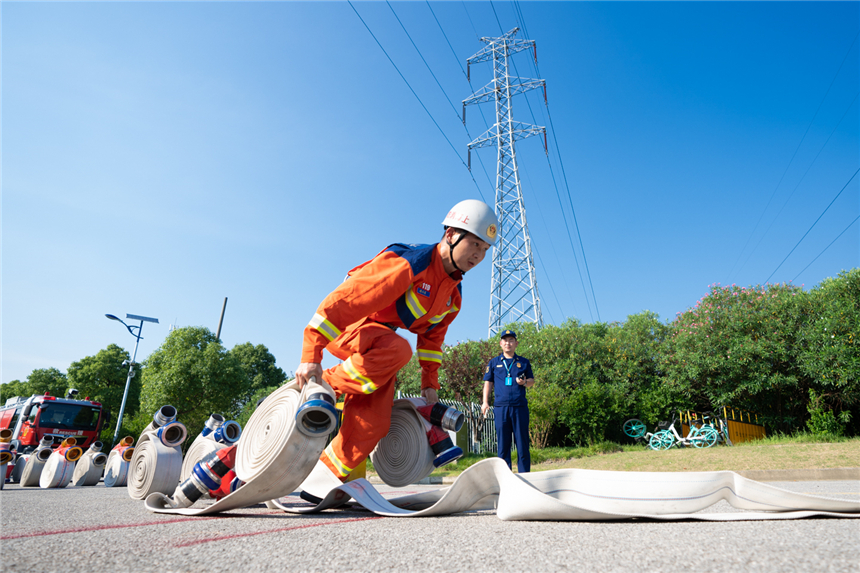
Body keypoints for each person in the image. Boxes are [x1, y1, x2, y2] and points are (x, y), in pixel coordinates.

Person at [295, 199, 498, 485]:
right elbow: (344, 302)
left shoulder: (453, 296)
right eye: (475, 244)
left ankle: (323, 480)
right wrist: (311, 355)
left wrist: (429, 386)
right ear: (451, 234)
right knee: (398, 349)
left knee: (374, 422)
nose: (479, 255)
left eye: (485, 249)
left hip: (378, 346)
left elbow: (432, 341)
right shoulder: (409, 263)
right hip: (347, 325)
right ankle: (324, 384)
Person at [481, 329, 535, 473]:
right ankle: (505, 476)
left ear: (516, 343)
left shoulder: (523, 362)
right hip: (501, 408)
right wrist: (485, 402)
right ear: (500, 343)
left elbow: (531, 381)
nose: (508, 343)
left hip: (519, 407)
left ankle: (525, 476)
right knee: (503, 445)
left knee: (522, 444)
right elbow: (488, 383)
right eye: (505, 340)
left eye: (511, 340)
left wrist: (524, 382)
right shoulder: (494, 363)